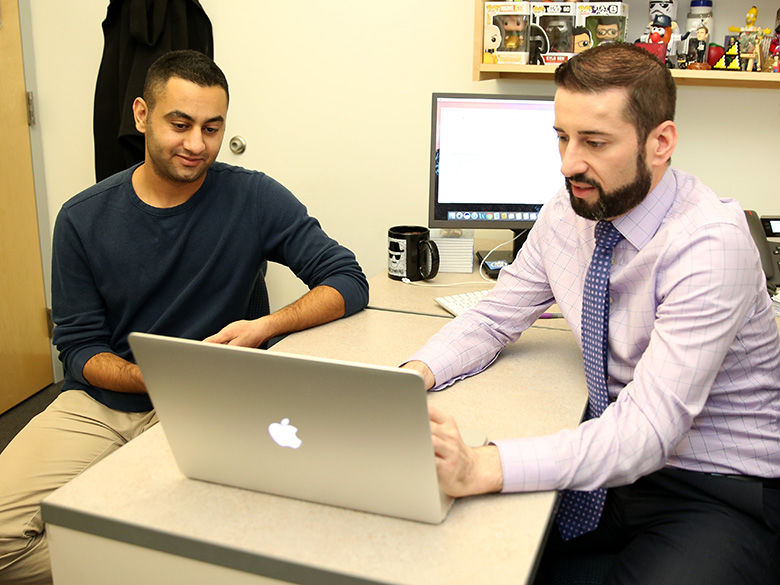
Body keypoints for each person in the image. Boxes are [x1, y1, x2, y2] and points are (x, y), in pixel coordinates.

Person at [405, 43, 780, 585]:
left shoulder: (709, 244)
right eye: (562, 137)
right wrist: (406, 381)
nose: (568, 164)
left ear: (661, 143)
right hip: (611, 466)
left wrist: (482, 464)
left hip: (715, 487)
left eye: (594, 142)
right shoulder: (568, 210)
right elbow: (493, 318)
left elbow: (648, 430)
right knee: (464, 557)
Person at [0, 49, 368, 584]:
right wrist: (145, 376)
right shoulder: (82, 218)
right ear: (142, 115)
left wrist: (265, 326)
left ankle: (157, 551)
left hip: (212, 404)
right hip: (103, 404)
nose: (197, 144)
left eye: (212, 128)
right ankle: (145, 561)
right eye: (180, 124)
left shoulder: (253, 196)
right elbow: (79, 348)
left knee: (261, 530)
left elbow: (346, 279)